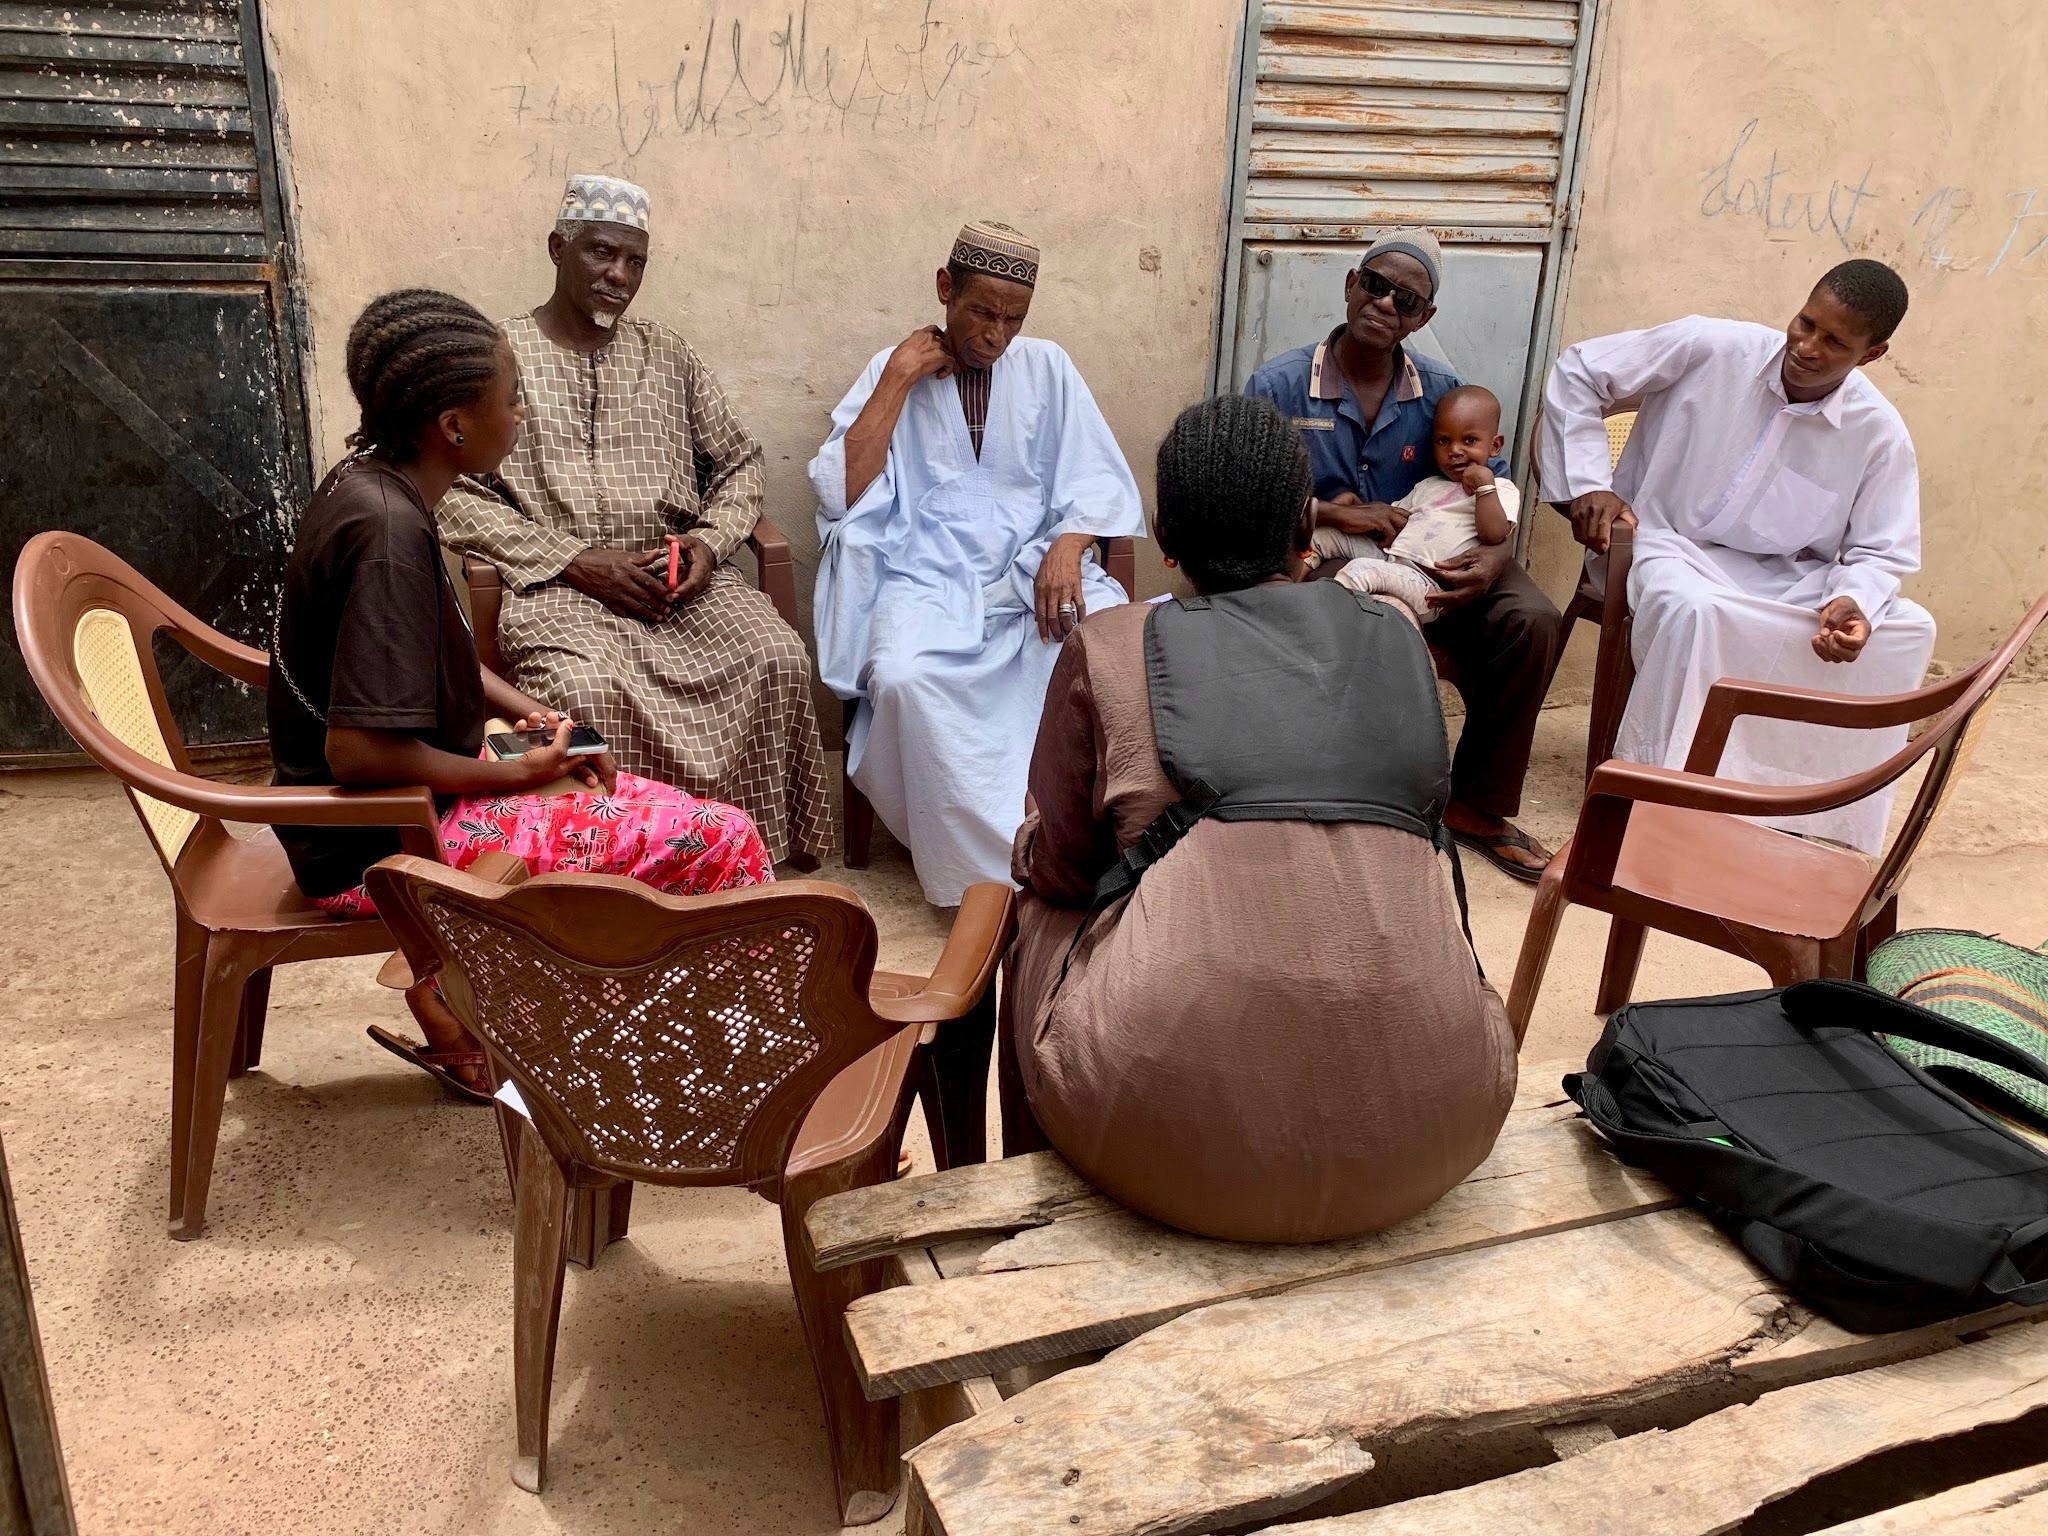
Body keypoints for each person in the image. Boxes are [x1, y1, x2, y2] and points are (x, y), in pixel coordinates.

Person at [1003, 394, 1516, 1244]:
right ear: (1304, 528)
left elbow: (1063, 868)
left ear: (1164, 539)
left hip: (1166, 1152)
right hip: (1442, 1129)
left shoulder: (1110, 645)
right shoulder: (1395, 634)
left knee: (1035, 897)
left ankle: (1030, 1198)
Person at [270, 288, 773, 1101]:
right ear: (453, 425)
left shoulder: (373, 484)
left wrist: (543, 726)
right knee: (722, 839)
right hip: (381, 843)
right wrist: (521, 772)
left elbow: (438, 657)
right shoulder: (390, 533)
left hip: (411, 796)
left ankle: (571, 1028)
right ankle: (746, 1079)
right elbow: (357, 750)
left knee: (605, 773)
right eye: (512, 399)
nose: (525, 413)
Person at [437, 174, 832, 869]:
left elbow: (740, 463)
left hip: (674, 584)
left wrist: (709, 545)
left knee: (776, 656)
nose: (619, 275)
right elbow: (450, 493)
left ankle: (750, 866)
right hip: (560, 589)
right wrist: (572, 559)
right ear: (558, 248)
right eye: (601, 253)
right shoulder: (499, 358)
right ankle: (616, 877)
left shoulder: (669, 354)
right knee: (582, 692)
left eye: (635, 261)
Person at [1537, 259, 1935, 854]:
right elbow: (1579, 371)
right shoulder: (1712, 346)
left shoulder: (1877, 431)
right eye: (1805, 323)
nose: (1806, 346)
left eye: (1834, 341)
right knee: (1692, 610)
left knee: (1905, 629)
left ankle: (1805, 807)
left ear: (1871, 355)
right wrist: (1589, 482)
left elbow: (1880, 547)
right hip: (1661, 541)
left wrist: (1852, 602)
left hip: (1779, 578)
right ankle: (1658, 795)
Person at [808, 221, 1145, 906]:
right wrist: (900, 377)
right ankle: (987, 874)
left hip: (1032, 579)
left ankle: (1080, 842)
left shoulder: (1047, 367)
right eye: (983, 313)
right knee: (903, 679)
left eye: (1013, 319)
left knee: (1114, 651)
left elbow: (1099, 480)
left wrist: (1068, 545)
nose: (997, 334)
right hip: (925, 583)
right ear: (944, 289)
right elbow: (841, 491)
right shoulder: (890, 369)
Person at [1246, 230, 1561, 882]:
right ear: (1350, 283)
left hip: (1441, 554)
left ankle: (1477, 805)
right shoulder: (1278, 386)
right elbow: (1245, 493)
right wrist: (1334, 511)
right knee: (1355, 611)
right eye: (1375, 284)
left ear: (1425, 318)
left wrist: (1496, 564)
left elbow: (1489, 487)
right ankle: (1353, 805)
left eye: (1407, 300)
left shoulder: (1443, 392)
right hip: (1331, 553)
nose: (1386, 304)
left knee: (1531, 620)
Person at [1323, 384, 1519, 623]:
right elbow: (1395, 521)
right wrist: (1356, 507)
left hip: (1426, 585)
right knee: (1327, 534)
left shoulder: (1500, 490)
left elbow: (1494, 534)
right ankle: (1296, 576)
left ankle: (1323, 625)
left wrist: (1484, 487)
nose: (1455, 450)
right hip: (1392, 559)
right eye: (1444, 441)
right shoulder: (1429, 485)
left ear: (1495, 446)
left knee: (1361, 571)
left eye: (1469, 440)